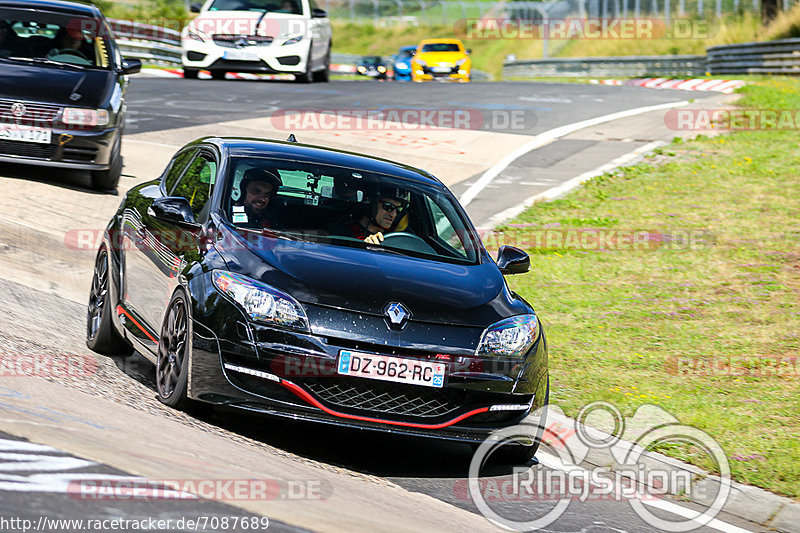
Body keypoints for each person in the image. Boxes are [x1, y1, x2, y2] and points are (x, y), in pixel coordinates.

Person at [333, 187, 409, 244]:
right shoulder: (343, 232)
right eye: (388, 207)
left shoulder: (399, 236)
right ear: (371, 205)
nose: (393, 214)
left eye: (398, 210)